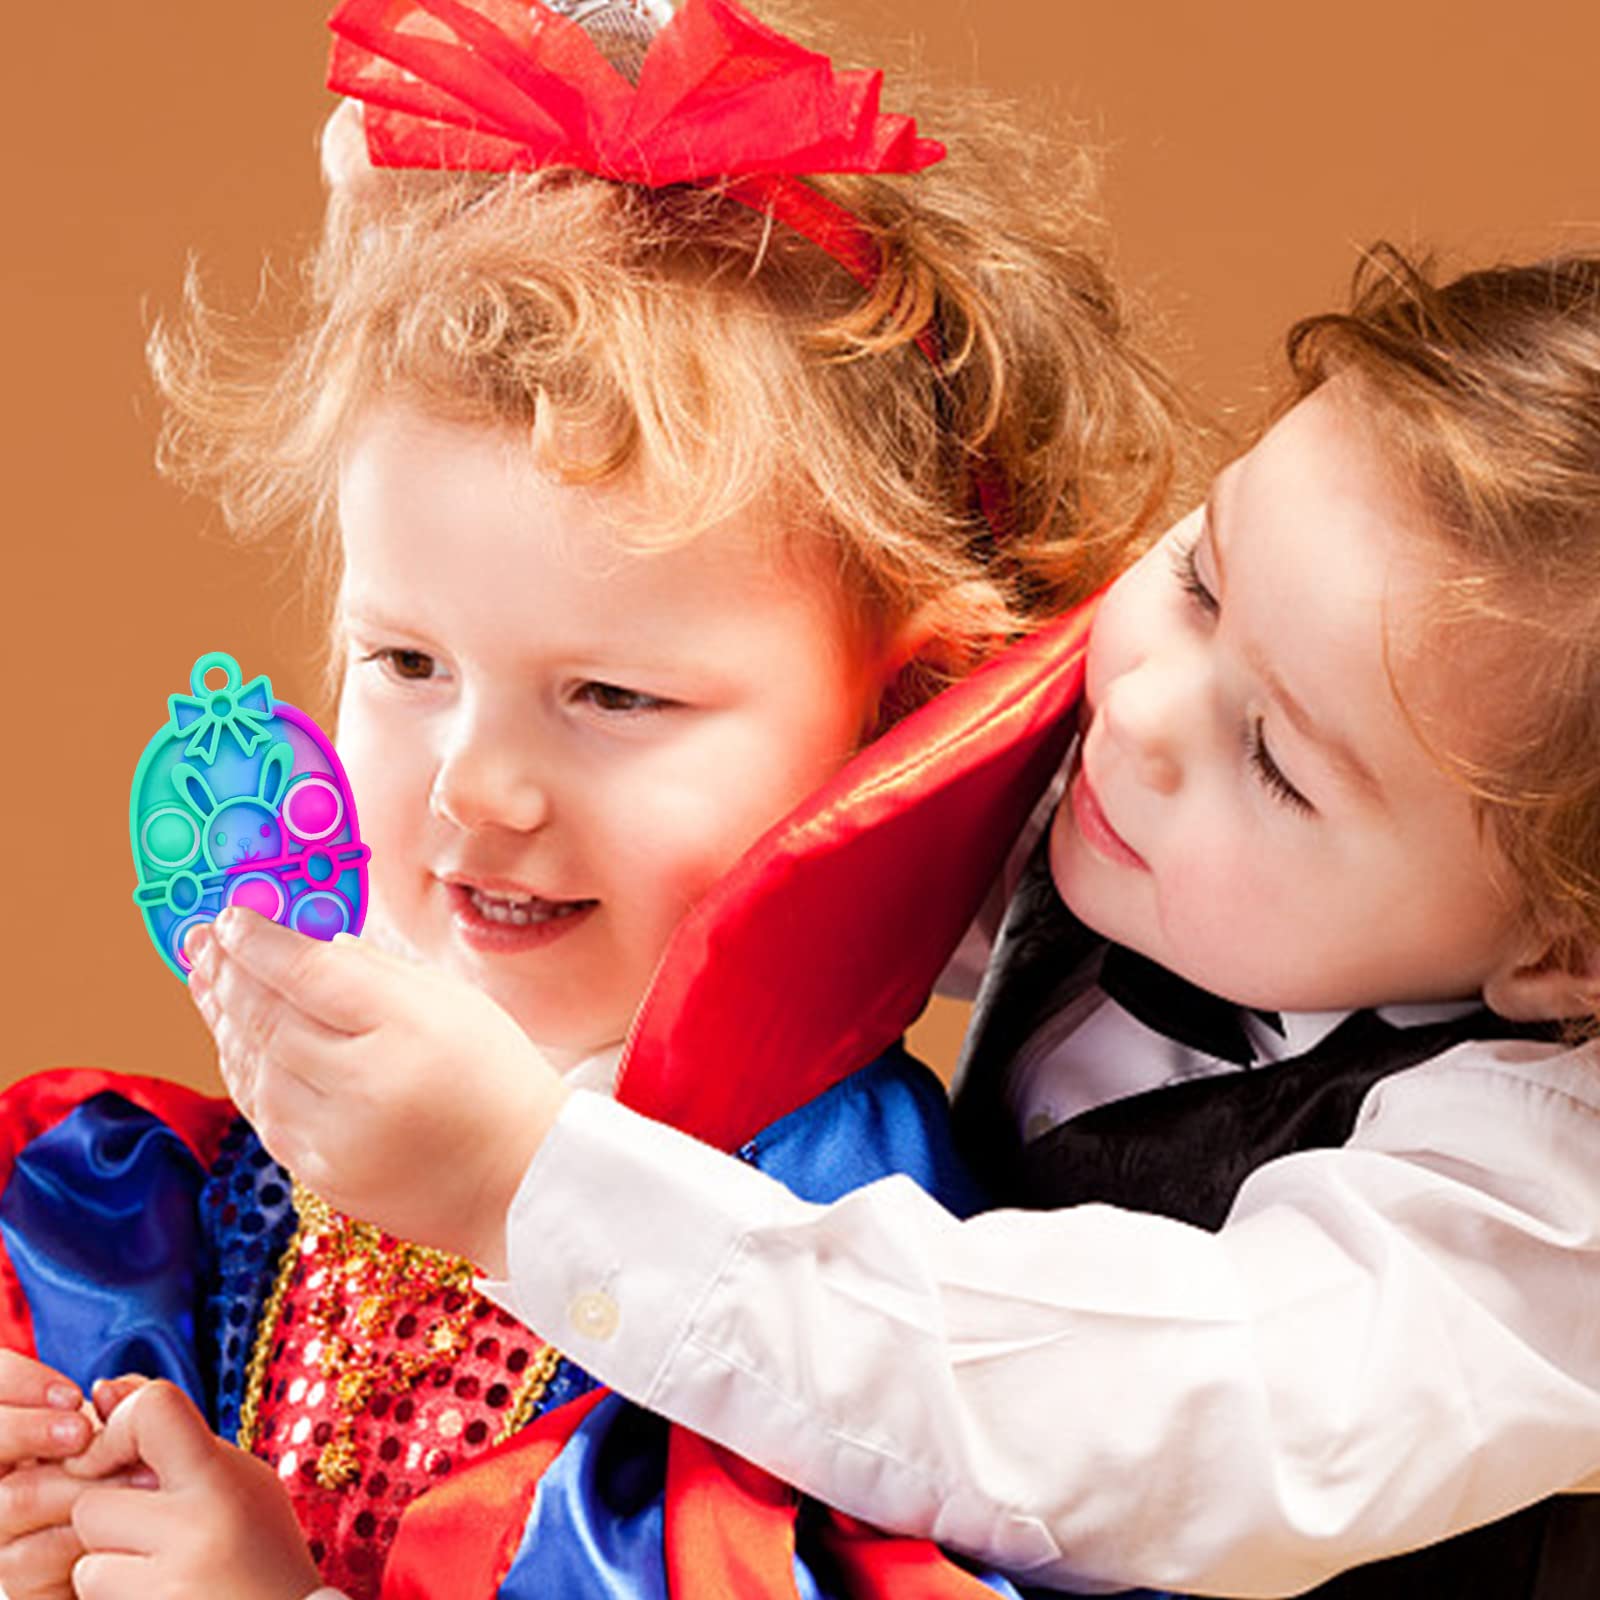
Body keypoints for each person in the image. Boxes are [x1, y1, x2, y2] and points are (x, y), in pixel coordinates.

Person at [186, 247, 1600, 1599]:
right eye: (1201, 580)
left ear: (1565, 953)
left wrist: (525, 1184)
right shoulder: (1160, 818)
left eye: (1279, 762)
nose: (1143, 708)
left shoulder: (1532, 1223)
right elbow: (795, 788)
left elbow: (1106, 1420)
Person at [0, 2, 1188, 1597]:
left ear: (897, 712)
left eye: (615, 698)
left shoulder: (828, 1258)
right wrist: (72, 1489)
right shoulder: (277, 1123)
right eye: (405, 662)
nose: (476, 785)